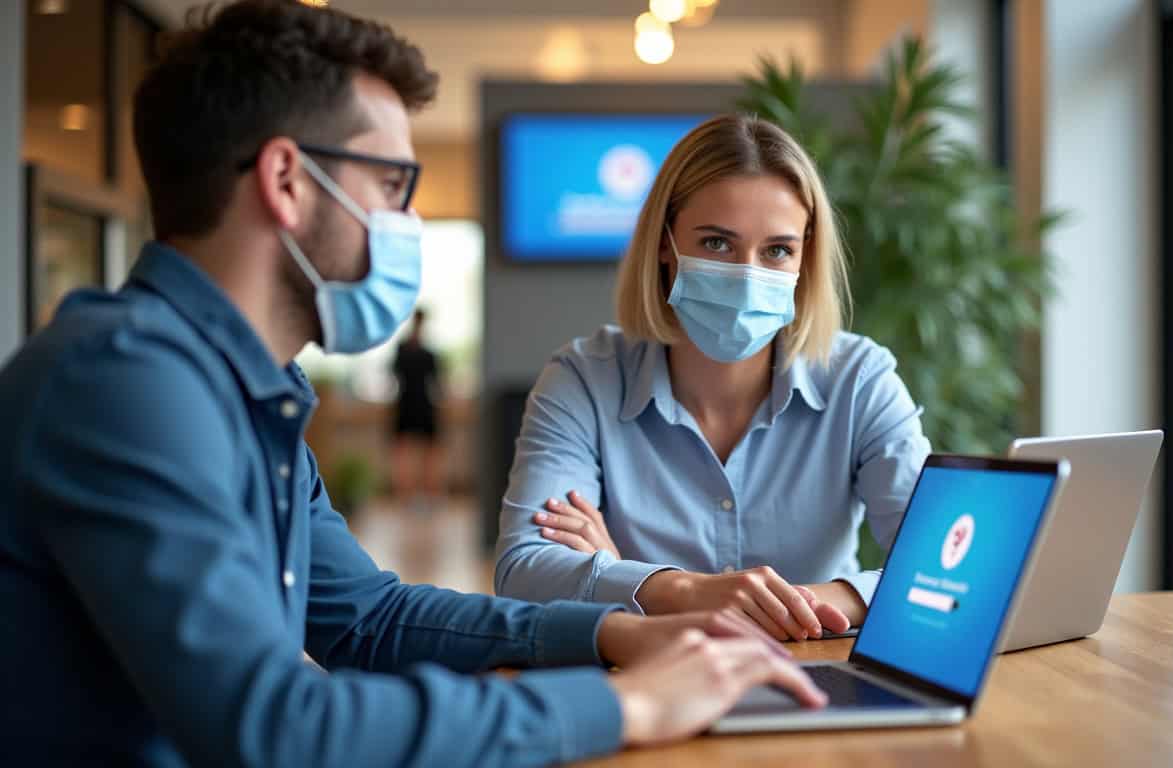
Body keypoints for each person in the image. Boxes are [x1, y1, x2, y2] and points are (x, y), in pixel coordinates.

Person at [0, 4, 824, 766]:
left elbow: (368, 619)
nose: (408, 222)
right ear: (287, 182)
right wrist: (627, 705)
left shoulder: (244, 392)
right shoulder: (121, 382)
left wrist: (614, 632)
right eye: (392, 185)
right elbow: (274, 728)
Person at [494, 115, 933, 642]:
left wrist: (631, 583)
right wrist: (687, 591)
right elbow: (524, 571)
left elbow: (943, 569)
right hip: (648, 678)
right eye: (717, 244)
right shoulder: (584, 380)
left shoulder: (860, 379)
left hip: (815, 672)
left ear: (805, 258)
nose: (748, 275)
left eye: (777, 250)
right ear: (664, 243)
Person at [391, 307, 445, 508]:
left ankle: (431, 494)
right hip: (406, 404)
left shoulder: (429, 354)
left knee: (430, 453)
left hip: (424, 405)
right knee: (404, 452)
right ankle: (405, 495)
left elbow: (438, 383)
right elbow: (394, 376)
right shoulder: (402, 350)